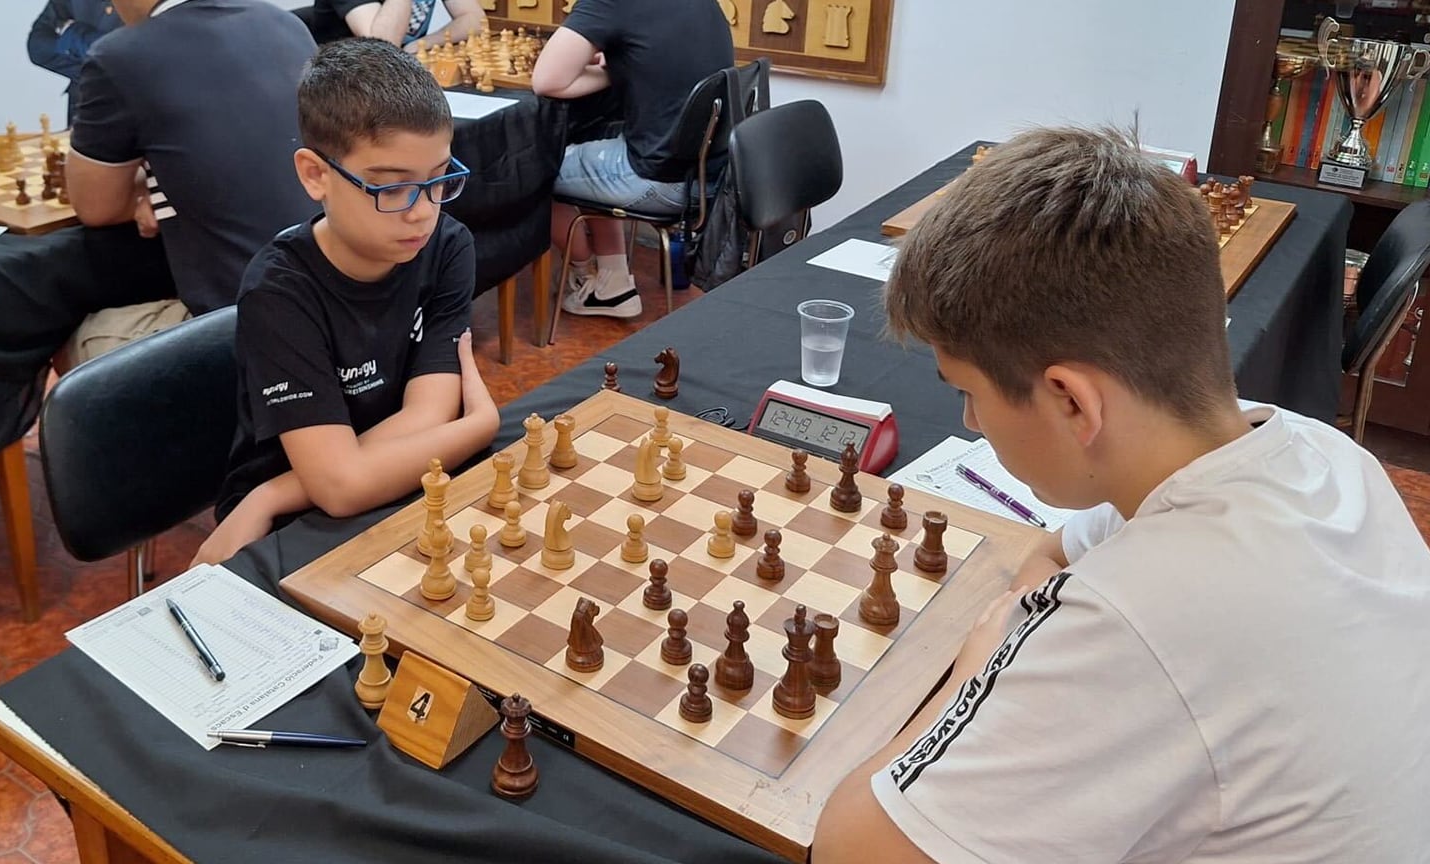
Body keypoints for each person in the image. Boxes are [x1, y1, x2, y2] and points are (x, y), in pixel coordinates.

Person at [812, 127, 1430, 863]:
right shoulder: (1320, 451)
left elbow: (848, 847)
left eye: (967, 393)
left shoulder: (1138, 620)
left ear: (1072, 401)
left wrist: (980, 671)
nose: (970, 422)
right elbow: (1050, 552)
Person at [193, 38, 497, 566]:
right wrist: (478, 426)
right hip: (293, 528)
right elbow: (338, 489)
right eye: (391, 188)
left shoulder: (447, 246)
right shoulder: (279, 291)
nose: (422, 212)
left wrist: (278, 492)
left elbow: (429, 413)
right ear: (316, 175)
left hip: (337, 489)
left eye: (438, 180)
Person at [64, 0, 318, 367]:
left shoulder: (120, 56)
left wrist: (147, 189)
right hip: (331, 304)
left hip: (240, 327)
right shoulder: (286, 25)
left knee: (72, 333)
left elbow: (96, 206)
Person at [532, 0, 732, 318]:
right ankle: (612, 282)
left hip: (660, 181)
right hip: (709, 176)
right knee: (590, 145)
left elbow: (546, 81)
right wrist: (627, 64)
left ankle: (585, 273)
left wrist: (616, 70)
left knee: (530, 170)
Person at [26, 0, 122, 123]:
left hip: (131, 110)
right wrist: (97, 72)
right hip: (83, 107)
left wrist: (72, 33)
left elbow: (123, 56)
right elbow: (37, 48)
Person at [310, 0, 486, 51]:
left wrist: (421, 44)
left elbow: (476, 20)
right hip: (346, 84)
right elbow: (382, 43)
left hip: (394, 74)